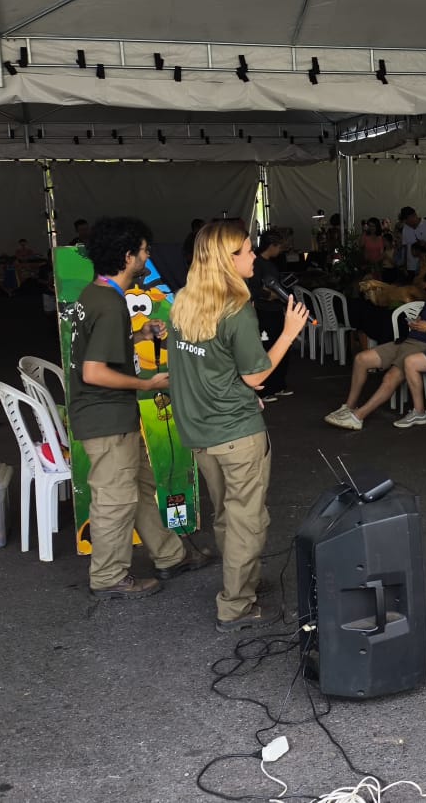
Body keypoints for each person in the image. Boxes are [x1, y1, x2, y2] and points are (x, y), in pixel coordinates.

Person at [168, 220, 308, 632]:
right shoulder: (235, 308)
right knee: (248, 519)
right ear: (226, 259)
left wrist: (241, 391)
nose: (254, 256)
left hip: (198, 429)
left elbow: (204, 368)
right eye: (247, 251)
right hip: (236, 431)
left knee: (226, 513)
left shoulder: (184, 301)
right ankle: (235, 604)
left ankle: (241, 580)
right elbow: (255, 374)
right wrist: (289, 331)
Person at [69, 217, 209, 600]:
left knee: (143, 486)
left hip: (109, 415)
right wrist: (146, 384)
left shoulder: (94, 295)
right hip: (105, 418)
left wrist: (139, 335)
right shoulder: (110, 304)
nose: (147, 257)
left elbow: (99, 349)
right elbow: (95, 371)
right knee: (115, 500)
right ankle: (109, 577)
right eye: (144, 251)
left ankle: (169, 555)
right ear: (128, 256)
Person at [325, 266, 426, 431]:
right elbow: (423, 321)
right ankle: (349, 406)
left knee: (391, 377)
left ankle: (358, 416)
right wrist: (416, 324)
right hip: (408, 341)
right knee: (361, 359)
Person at [249, 232, 292, 402]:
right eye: (279, 246)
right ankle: (265, 389)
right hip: (264, 311)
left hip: (275, 310)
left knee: (281, 346)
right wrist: (271, 296)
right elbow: (254, 288)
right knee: (268, 348)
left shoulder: (270, 263)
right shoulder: (257, 264)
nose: (280, 250)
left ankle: (278, 385)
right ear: (271, 246)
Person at [398, 207, 426, 280]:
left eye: (408, 221)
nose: (408, 224)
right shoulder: (405, 228)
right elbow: (406, 247)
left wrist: (425, 244)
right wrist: (405, 265)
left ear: (414, 215)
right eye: (405, 222)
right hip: (411, 266)